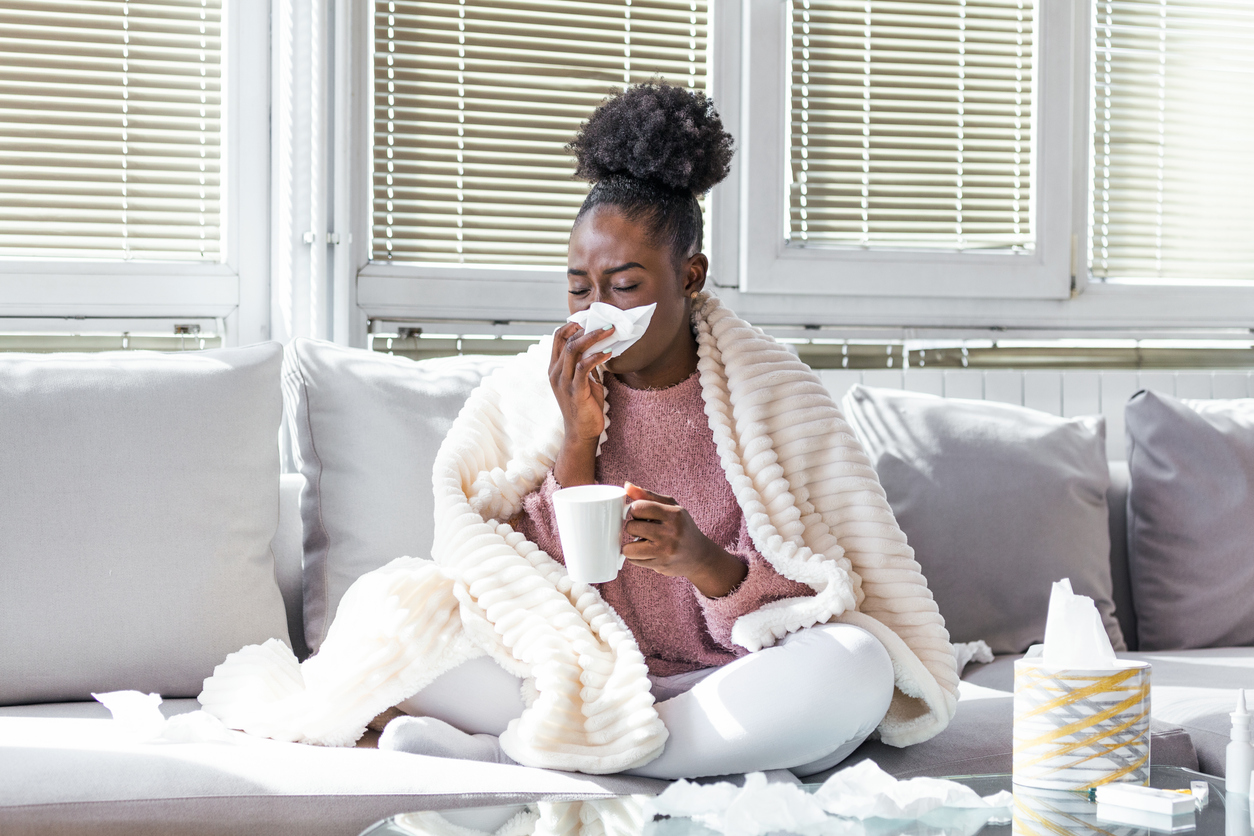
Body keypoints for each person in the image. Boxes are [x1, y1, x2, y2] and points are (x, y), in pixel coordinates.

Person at [199, 82, 956, 779]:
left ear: (688, 276)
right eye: (577, 286)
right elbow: (514, 581)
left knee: (856, 665)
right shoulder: (536, 387)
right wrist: (575, 439)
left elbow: (826, 588)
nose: (597, 306)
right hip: (576, 667)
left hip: (728, 672)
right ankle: (655, 750)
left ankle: (523, 753)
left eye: (625, 285)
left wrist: (705, 564)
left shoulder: (772, 391)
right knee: (398, 622)